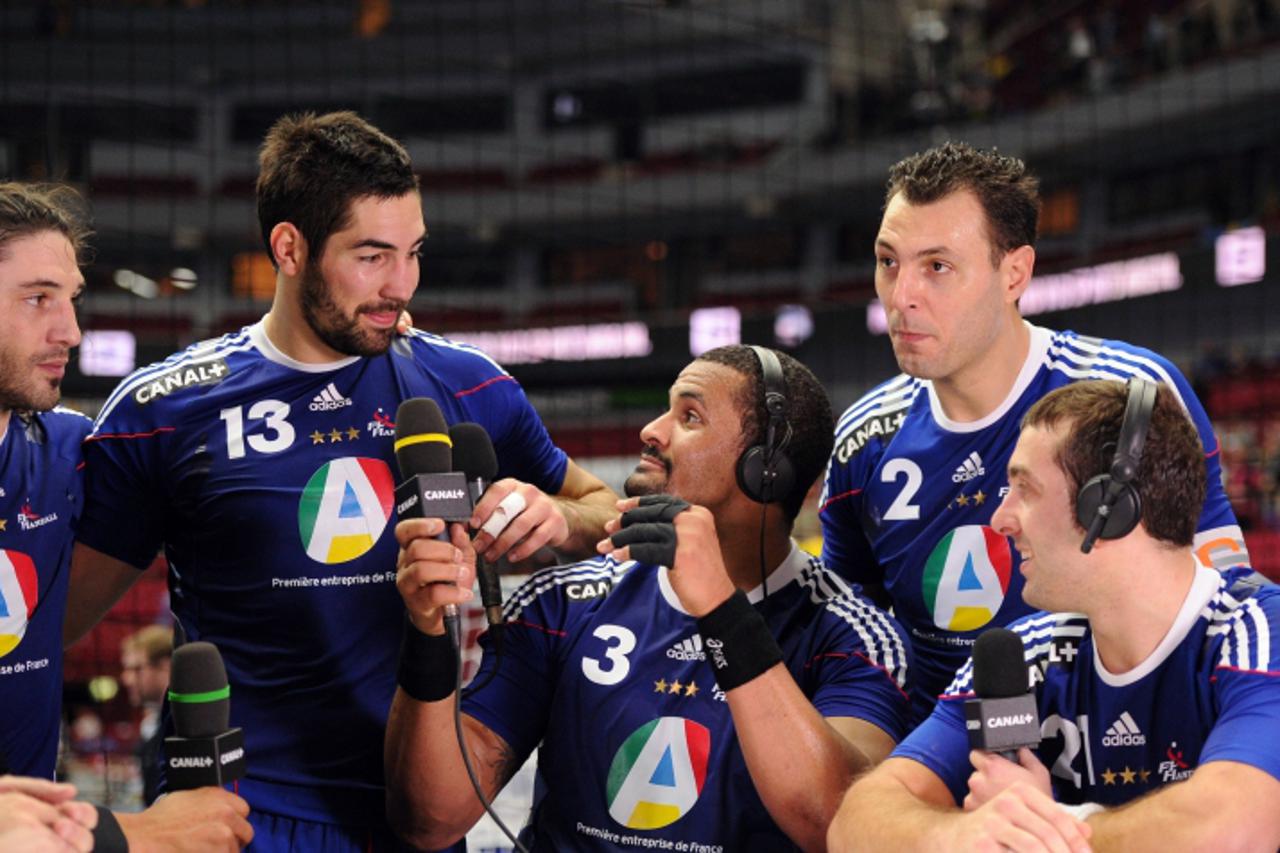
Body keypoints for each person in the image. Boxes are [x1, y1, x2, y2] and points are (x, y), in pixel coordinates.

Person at [63, 111, 618, 852]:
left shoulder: (465, 386)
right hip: (236, 814)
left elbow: (600, 506)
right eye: (372, 256)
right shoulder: (167, 409)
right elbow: (55, 620)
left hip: (419, 805)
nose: (402, 284)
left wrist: (554, 515)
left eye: (413, 253)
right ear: (289, 248)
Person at [386, 345, 913, 851]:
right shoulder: (563, 604)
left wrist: (720, 609)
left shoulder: (853, 636)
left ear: (764, 469)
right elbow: (430, 821)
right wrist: (428, 631)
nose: (651, 430)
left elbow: (839, 829)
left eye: (689, 417)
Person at [819, 141, 1247, 723]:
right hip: (943, 760)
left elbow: (1223, 595)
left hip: (1128, 742)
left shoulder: (1130, 398)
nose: (901, 297)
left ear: (1014, 272)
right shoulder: (864, 439)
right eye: (888, 261)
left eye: (937, 267)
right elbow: (854, 641)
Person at [827, 379, 1280, 852]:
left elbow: (1236, 828)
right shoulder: (1027, 658)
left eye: (1025, 489)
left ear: (1109, 511)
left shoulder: (1259, 633)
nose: (1000, 518)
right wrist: (965, 834)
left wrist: (1051, 829)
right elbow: (854, 822)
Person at [0, 182, 253, 850]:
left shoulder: (68, 454)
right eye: (38, 298)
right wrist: (132, 835)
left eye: (71, 299)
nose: (71, 331)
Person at [120, 625, 173, 806]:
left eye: (136, 669)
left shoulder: (184, 727)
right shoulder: (151, 726)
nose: (126, 679)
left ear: (166, 666)